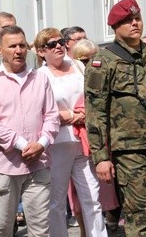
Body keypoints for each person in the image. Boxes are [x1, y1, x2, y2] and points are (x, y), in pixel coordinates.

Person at [85, 0, 146, 236]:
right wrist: (101, 156)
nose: (135, 23)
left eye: (137, 18)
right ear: (115, 26)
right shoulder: (102, 61)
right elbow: (95, 112)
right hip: (130, 151)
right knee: (142, 217)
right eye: (127, 20)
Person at [0, 25, 60, 235]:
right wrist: (23, 145)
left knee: (41, 230)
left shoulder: (40, 79)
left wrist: (42, 144)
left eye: (22, 45)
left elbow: (52, 116)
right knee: (3, 228)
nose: (18, 50)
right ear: (0, 50)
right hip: (5, 166)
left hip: (38, 164)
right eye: (12, 46)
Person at [34, 28, 106, 237]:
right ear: (40, 51)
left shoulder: (77, 66)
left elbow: (93, 97)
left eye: (60, 41)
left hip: (83, 139)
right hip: (57, 144)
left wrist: (80, 115)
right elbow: (41, 111)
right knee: (56, 200)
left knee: (92, 196)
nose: (57, 46)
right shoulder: (40, 76)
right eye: (51, 44)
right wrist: (72, 115)